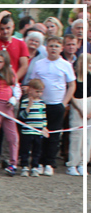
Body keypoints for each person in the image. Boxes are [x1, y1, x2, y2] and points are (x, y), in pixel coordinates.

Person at [27, 36, 76, 176]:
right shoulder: (39, 64)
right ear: (46, 48)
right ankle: (39, 162)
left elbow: (72, 85)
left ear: (61, 48)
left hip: (57, 105)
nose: (53, 48)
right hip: (40, 105)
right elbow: (33, 82)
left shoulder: (66, 65)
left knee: (54, 135)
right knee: (39, 134)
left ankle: (50, 163)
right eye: (51, 46)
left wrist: (64, 103)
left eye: (56, 46)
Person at [17, 78, 49, 177]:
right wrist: (29, 107)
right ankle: (24, 166)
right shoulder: (25, 101)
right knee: (25, 150)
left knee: (37, 150)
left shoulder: (42, 103)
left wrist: (44, 127)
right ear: (30, 90)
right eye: (37, 91)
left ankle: (35, 166)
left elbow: (44, 116)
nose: (39, 94)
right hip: (27, 131)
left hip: (38, 132)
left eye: (41, 92)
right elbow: (22, 116)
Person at [66, 54, 90, 176]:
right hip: (77, 105)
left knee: (88, 139)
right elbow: (72, 94)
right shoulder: (74, 76)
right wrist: (80, 109)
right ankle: (72, 164)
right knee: (76, 136)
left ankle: (82, 163)